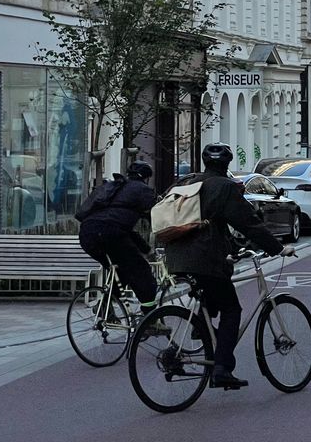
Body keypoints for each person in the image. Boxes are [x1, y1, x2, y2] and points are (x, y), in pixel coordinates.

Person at [165, 143, 293, 390]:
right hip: (205, 259)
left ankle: (200, 331)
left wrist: (232, 249)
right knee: (232, 309)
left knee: (211, 294)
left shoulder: (188, 182)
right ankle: (222, 368)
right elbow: (249, 223)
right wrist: (278, 248)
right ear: (226, 164)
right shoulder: (224, 187)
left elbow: (213, 226)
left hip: (177, 256)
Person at [78, 161, 159, 312]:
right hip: (109, 233)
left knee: (121, 269)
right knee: (141, 271)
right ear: (146, 178)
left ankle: (105, 308)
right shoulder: (142, 190)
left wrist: (146, 250)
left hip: (87, 233)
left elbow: (124, 230)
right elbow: (156, 216)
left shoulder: (115, 187)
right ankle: (151, 319)